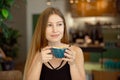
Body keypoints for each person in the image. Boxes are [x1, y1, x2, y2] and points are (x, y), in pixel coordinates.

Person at [23, 7, 86, 80]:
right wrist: (38, 61)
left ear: (64, 27)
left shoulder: (76, 51)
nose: (55, 30)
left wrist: (72, 64)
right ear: (42, 28)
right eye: (49, 25)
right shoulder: (38, 53)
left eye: (59, 24)